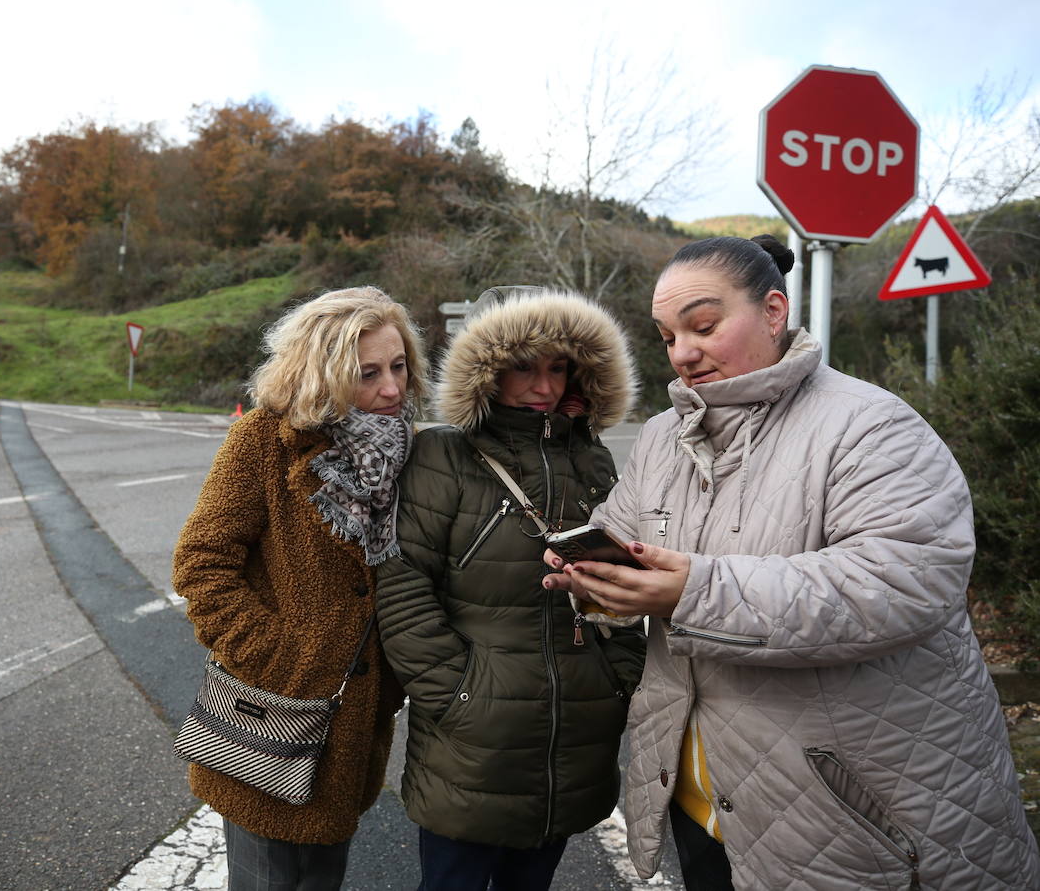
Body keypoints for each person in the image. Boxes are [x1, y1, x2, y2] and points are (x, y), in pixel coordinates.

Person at [543, 235, 1040, 889]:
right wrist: (595, 572)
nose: (683, 352)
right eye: (666, 336)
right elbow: (629, 530)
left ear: (774, 312)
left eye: (703, 325)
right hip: (698, 797)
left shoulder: (870, 425)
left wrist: (694, 589)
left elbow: (901, 582)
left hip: (846, 814)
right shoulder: (665, 436)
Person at [376, 286, 647, 890]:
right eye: (524, 367)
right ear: (489, 370)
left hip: (578, 731)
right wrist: (458, 695)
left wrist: (617, 678)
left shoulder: (594, 460)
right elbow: (402, 584)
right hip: (471, 741)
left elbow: (622, 581)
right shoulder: (442, 454)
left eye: (558, 368)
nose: (544, 386)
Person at [172, 286, 427, 891]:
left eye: (399, 367)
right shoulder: (263, 438)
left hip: (356, 722)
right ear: (325, 374)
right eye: (367, 374)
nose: (392, 389)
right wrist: (277, 656)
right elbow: (201, 562)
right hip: (272, 717)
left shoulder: (408, 451)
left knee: (322, 877)